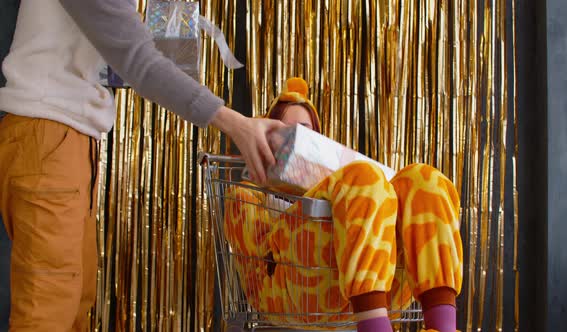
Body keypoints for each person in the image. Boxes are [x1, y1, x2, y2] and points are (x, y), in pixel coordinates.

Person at [0, 0, 284, 330]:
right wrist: (236, 124)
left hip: (70, 139)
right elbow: (138, 61)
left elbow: (128, 58)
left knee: (74, 302)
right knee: (50, 310)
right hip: (48, 132)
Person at [223, 78, 463, 332]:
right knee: (364, 177)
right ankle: (374, 326)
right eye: (286, 129)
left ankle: (442, 325)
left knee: (425, 179)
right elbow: (256, 262)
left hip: (373, 279)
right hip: (297, 289)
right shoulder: (254, 197)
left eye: (305, 131)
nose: (296, 138)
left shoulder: (340, 184)